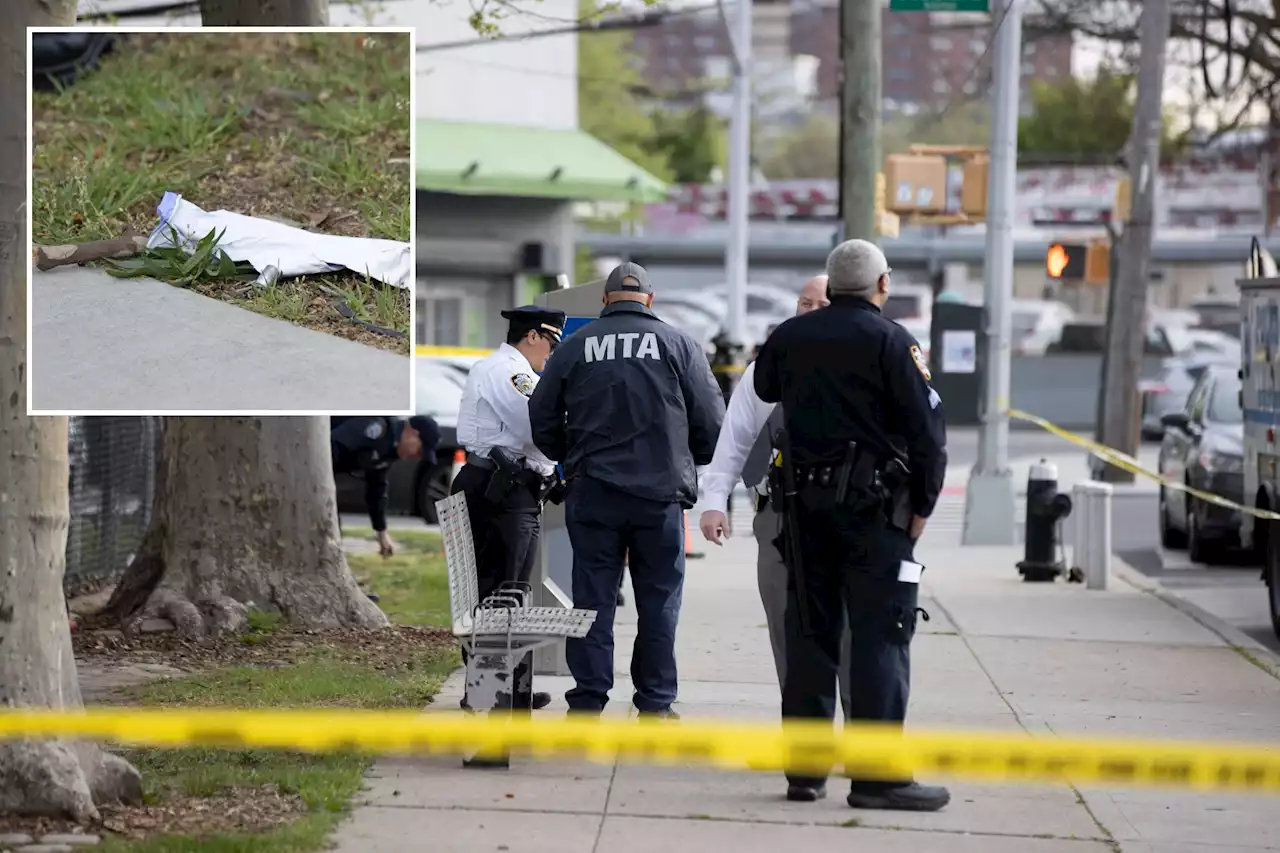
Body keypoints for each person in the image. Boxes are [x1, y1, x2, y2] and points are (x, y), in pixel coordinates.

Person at [753, 239, 950, 812]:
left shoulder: (790, 337)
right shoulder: (893, 341)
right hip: (875, 517)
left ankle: (805, 772)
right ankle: (875, 777)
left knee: (811, 632)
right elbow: (928, 434)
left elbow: (765, 388)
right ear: (882, 285)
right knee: (879, 638)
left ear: (832, 285)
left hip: (804, 513)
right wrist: (923, 507)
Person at [528, 262, 725, 718]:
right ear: (650, 301)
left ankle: (587, 700)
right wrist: (684, 457)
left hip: (593, 492)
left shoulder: (575, 346)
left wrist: (571, 457)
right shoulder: (679, 345)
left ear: (605, 301)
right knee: (658, 601)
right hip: (658, 496)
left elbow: (542, 417)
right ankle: (655, 703)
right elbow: (713, 423)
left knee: (591, 599)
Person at [697, 274, 854, 716]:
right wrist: (714, 502)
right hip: (779, 515)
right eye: (803, 303)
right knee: (787, 623)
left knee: (848, 630)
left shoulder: (865, 359)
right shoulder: (771, 365)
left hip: (846, 515)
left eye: (819, 303)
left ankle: (860, 732)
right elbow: (736, 436)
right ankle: (803, 731)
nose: (808, 311)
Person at [451, 305, 566, 728]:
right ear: (532, 336)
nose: (550, 354)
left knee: (509, 590)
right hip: (498, 491)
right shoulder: (507, 371)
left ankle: (504, 683)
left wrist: (551, 471)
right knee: (500, 591)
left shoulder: (512, 371)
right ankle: (489, 688)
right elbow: (537, 428)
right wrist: (558, 458)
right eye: (550, 344)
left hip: (509, 489)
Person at [331, 414, 440, 559]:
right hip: (306, 463)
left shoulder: (390, 449)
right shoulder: (377, 428)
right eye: (419, 451)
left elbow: (376, 488)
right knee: (329, 528)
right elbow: (329, 445)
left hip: (324, 474)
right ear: (412, 433)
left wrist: (381, 533)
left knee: (333, 532)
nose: (417, 457)